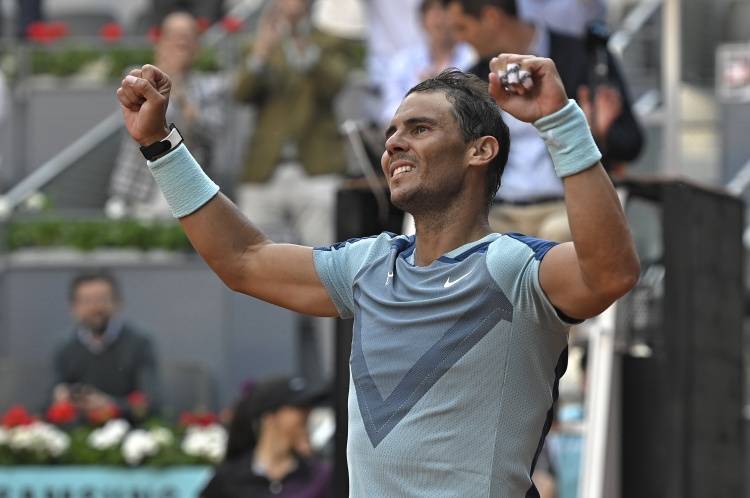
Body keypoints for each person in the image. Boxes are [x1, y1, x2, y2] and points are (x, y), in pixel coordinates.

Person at [116, 48, 639, 495]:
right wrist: (160, 145)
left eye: (420, 128)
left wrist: (560, 120)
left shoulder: (513, 266)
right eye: (391, 132)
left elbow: (610, 273)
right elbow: (243, 260)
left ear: (480, 151)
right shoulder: (366, 265)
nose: (393, 144)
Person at [443, 0, 644, 241]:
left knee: (560, 236)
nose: (459, 39)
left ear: (491, 17)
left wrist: (597, 131)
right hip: (497, 210)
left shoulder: (585, 58)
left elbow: (630, 144)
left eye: (462, 27)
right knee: (468, 239)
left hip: (567, 206)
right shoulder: (474, 76)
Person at [233, 0, 353, 246]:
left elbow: (335, 85)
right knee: (256, 258)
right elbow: (241, 94)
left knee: (321, 256)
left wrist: (307, 50)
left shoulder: (329, 40)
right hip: (265, 169)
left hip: (317, 168)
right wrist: (261, 54)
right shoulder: (259, 42)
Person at [106, 11, 226, 219]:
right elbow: (137, 128)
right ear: (159, 42)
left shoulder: (211, 86)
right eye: (174, 36)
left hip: (184, 190)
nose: (180, 43)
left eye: (187, 37)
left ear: (197, 47)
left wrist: (177, 87)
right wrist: (163, 76)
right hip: (134, 188)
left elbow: (211, 134)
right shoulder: (137, 77)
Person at [51, 272, 160, 422]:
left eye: (102, 299)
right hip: (78, 430)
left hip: (127, 430)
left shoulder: (139, 343)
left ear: (118, 303)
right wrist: (60, 399)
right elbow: (45, 404)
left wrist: (111, 405)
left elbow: (152, 403)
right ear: (73, 308)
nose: (95, 307)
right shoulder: (65, 347)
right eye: (87, 301)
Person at [201, 376, 331, 497]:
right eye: (299, 407)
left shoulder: (320, 477)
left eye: (308, 408)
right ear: (269, 417)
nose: (307, 414)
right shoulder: (228, 480)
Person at [378, 0, 476, 128]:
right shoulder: (402, 62)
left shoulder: (473, 57)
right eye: (435, 13)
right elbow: (389, 110)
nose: (441, 19)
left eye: (446, 11)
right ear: (423, 21)